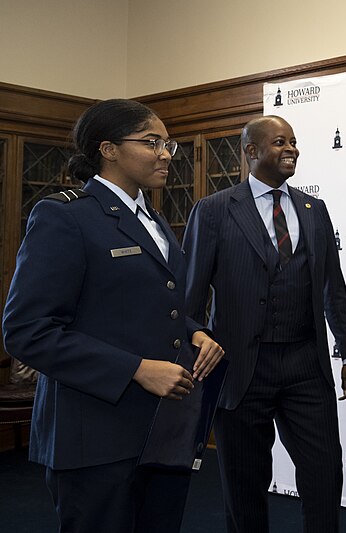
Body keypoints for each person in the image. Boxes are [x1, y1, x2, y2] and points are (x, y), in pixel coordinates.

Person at [2, 99, 224, 533]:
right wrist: (135, 370)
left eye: (168, 144)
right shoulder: (65, 217)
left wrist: (195, 333)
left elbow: (158, 304)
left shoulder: (155, 221)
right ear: (108, 149)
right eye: (151, 142)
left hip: (162, 432)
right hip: (94, 438)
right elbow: (26, 331)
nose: (165, 153)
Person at [182, 115, 346, 533]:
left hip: (305, 365)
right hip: (240, 368)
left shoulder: (315, 210)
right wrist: (193, 346)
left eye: (295, 142)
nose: (292, 149)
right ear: (251, 152)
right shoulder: (213, 210)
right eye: (281, 142)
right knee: (244, 484)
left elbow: (332, 286)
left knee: (324, 472)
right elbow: (189, 297)